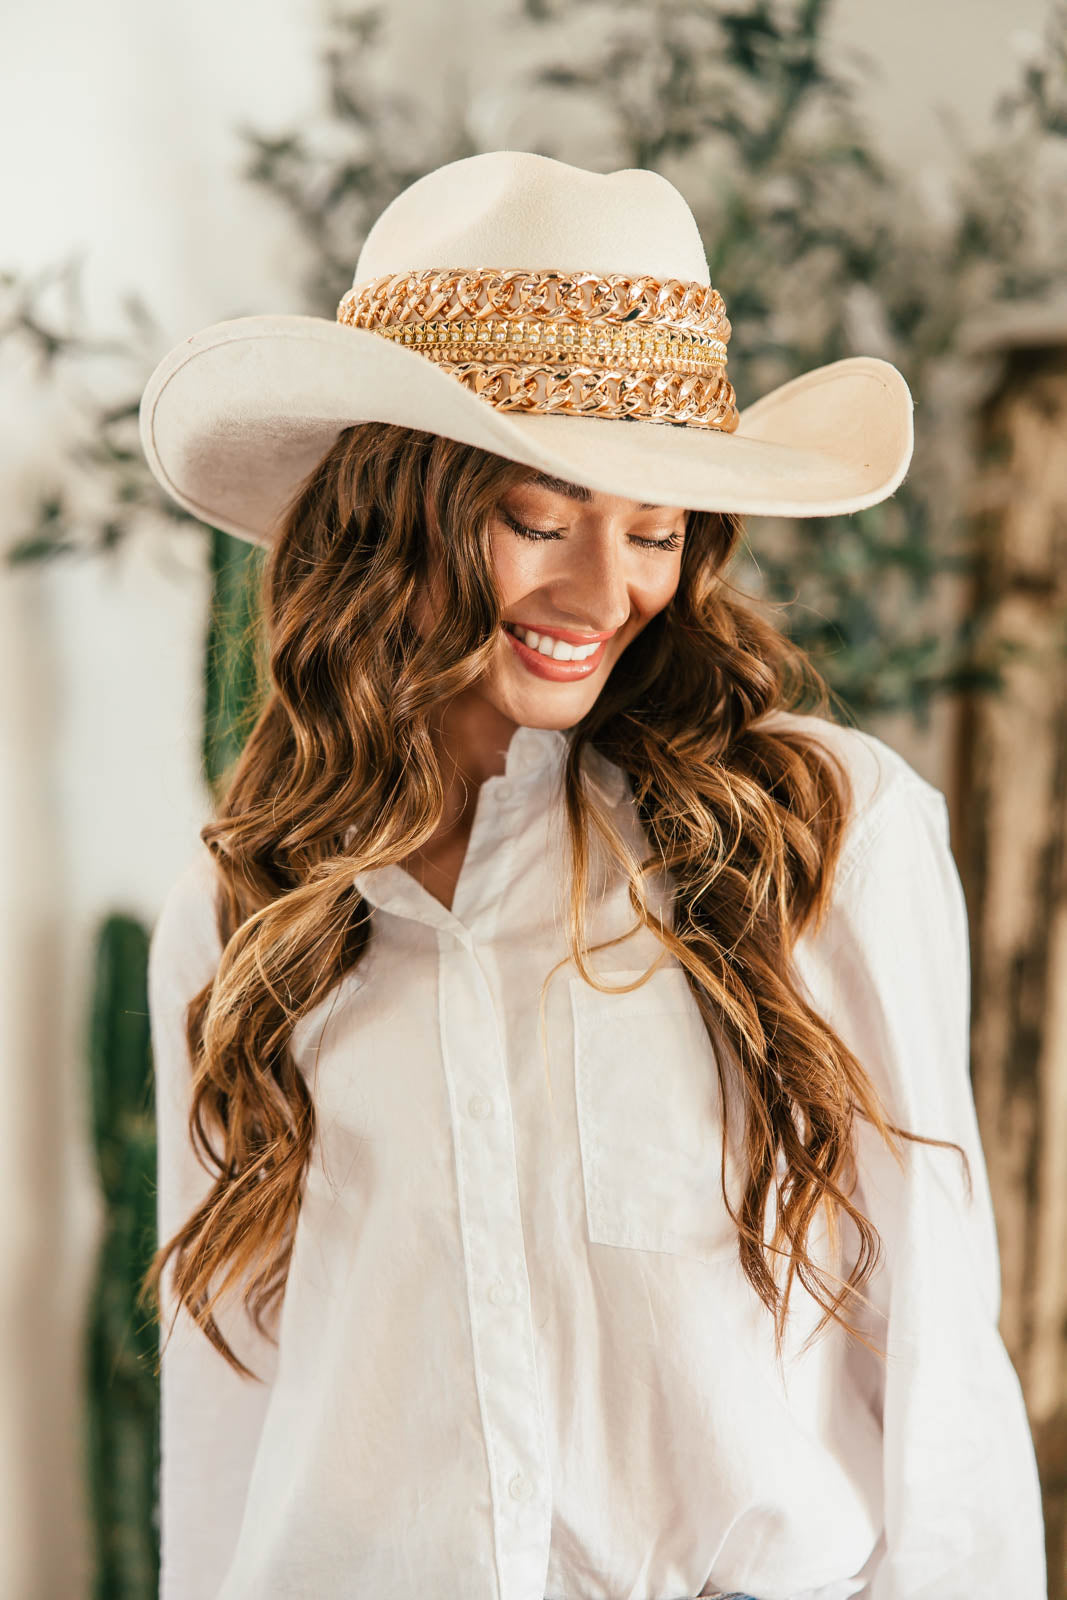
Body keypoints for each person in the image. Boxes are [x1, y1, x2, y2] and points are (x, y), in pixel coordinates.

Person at [138, 151, 1047, 1600]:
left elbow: (937, 1350)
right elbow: (231, 1392)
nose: (600, 592)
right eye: (535, 517)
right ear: (395, 513)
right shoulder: (247, 907)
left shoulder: (820, 833)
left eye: (655, 529)